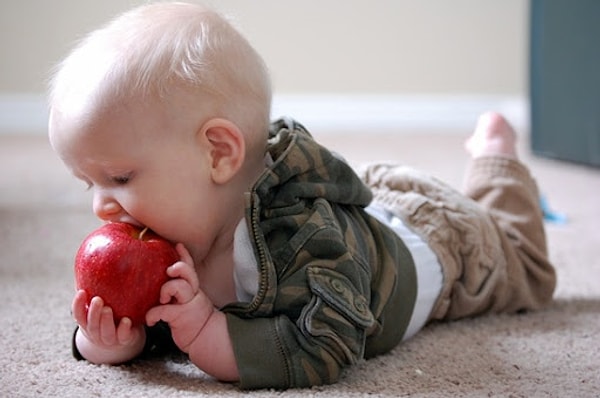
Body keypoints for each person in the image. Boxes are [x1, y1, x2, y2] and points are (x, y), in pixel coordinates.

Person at [47, 2, 556, 390]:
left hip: (442, 246)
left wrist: (205, 329)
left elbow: (328, 345)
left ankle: (497, 160)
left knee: (525, 265)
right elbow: (155, 326)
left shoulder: (304, 237)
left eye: (119, 178)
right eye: (88, 183)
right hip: (372, 211)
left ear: (218, 154)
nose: (101, 206)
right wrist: (112, 340)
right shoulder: (169, 230)